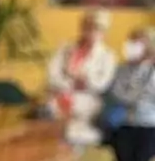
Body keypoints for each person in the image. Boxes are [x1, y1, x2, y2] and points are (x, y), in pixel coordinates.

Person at [99, 28, 155, 161]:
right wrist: (134, 96)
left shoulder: (152, 70)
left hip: (148, 126)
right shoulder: (122, 69)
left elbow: (149, 94)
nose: (132, 47)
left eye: (137, 42)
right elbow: (115, 91)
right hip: (123, 125)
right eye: (131, 42)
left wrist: (131, 96)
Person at [47, 9, 118, 146]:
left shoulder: (107, 55)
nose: (91, 32)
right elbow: (52, 75)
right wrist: (68, 83)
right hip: (60, 100)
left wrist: (84, 79)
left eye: (96, 29)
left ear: (103, 32)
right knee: (50, 137)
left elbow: (102, 84)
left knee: (72, 138)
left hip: (87, 105)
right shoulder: (66, 48)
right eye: (87, 27)